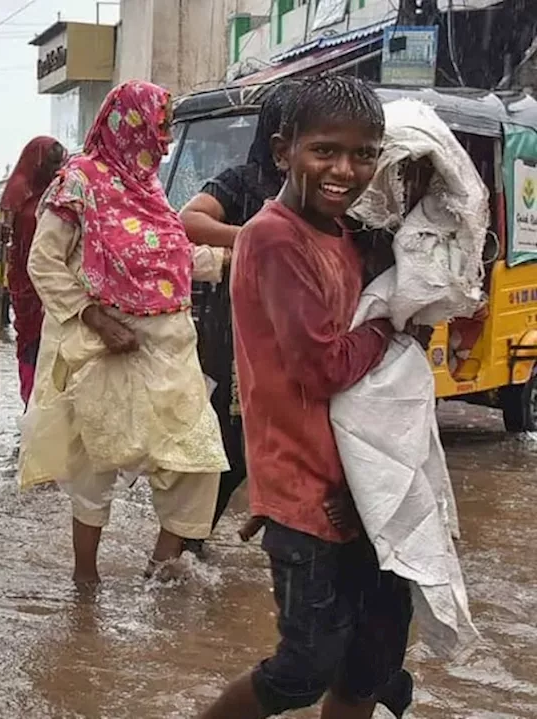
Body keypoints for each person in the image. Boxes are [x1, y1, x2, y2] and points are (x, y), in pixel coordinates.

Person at [200, 76, 416, 719]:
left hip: (369, 485)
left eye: (363, 154)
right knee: (303, 669)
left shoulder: (347, 234)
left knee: (368, 664)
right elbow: (322, 366)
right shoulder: (274, 237)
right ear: (281, 150)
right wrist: (393, 326)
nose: (345, 170)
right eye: (325, 150)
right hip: (310, 492)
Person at [18, 80, 227, 582]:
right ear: (130, 124)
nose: (167, 140)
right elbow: (43, 262)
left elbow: (164, 261)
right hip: (104, 343)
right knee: (97, 461)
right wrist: (96, 320)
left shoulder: (150, 190)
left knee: (196, 457)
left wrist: (230, 260)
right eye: (162, 126)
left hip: (169, 344)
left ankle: (159, 571)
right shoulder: (79, 181)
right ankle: (85, 584)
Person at [179, 80, 300, 547]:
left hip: (300, 337)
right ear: (278, 140)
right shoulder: (245, 182)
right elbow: (189, 221)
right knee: (230, 445)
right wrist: (253, 237)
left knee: (279, 445)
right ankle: (186, 546)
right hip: (238, 334)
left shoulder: (328, 193)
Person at [2, 136, 67, 407]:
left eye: (58, 163)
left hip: (57, 279)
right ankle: (31, 402)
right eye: (50, 163)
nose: (54, 170)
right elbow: (7, 235)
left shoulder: (60, 191)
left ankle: (51, 405)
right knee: (31, 341)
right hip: (26, 283)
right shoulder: (19, 190)